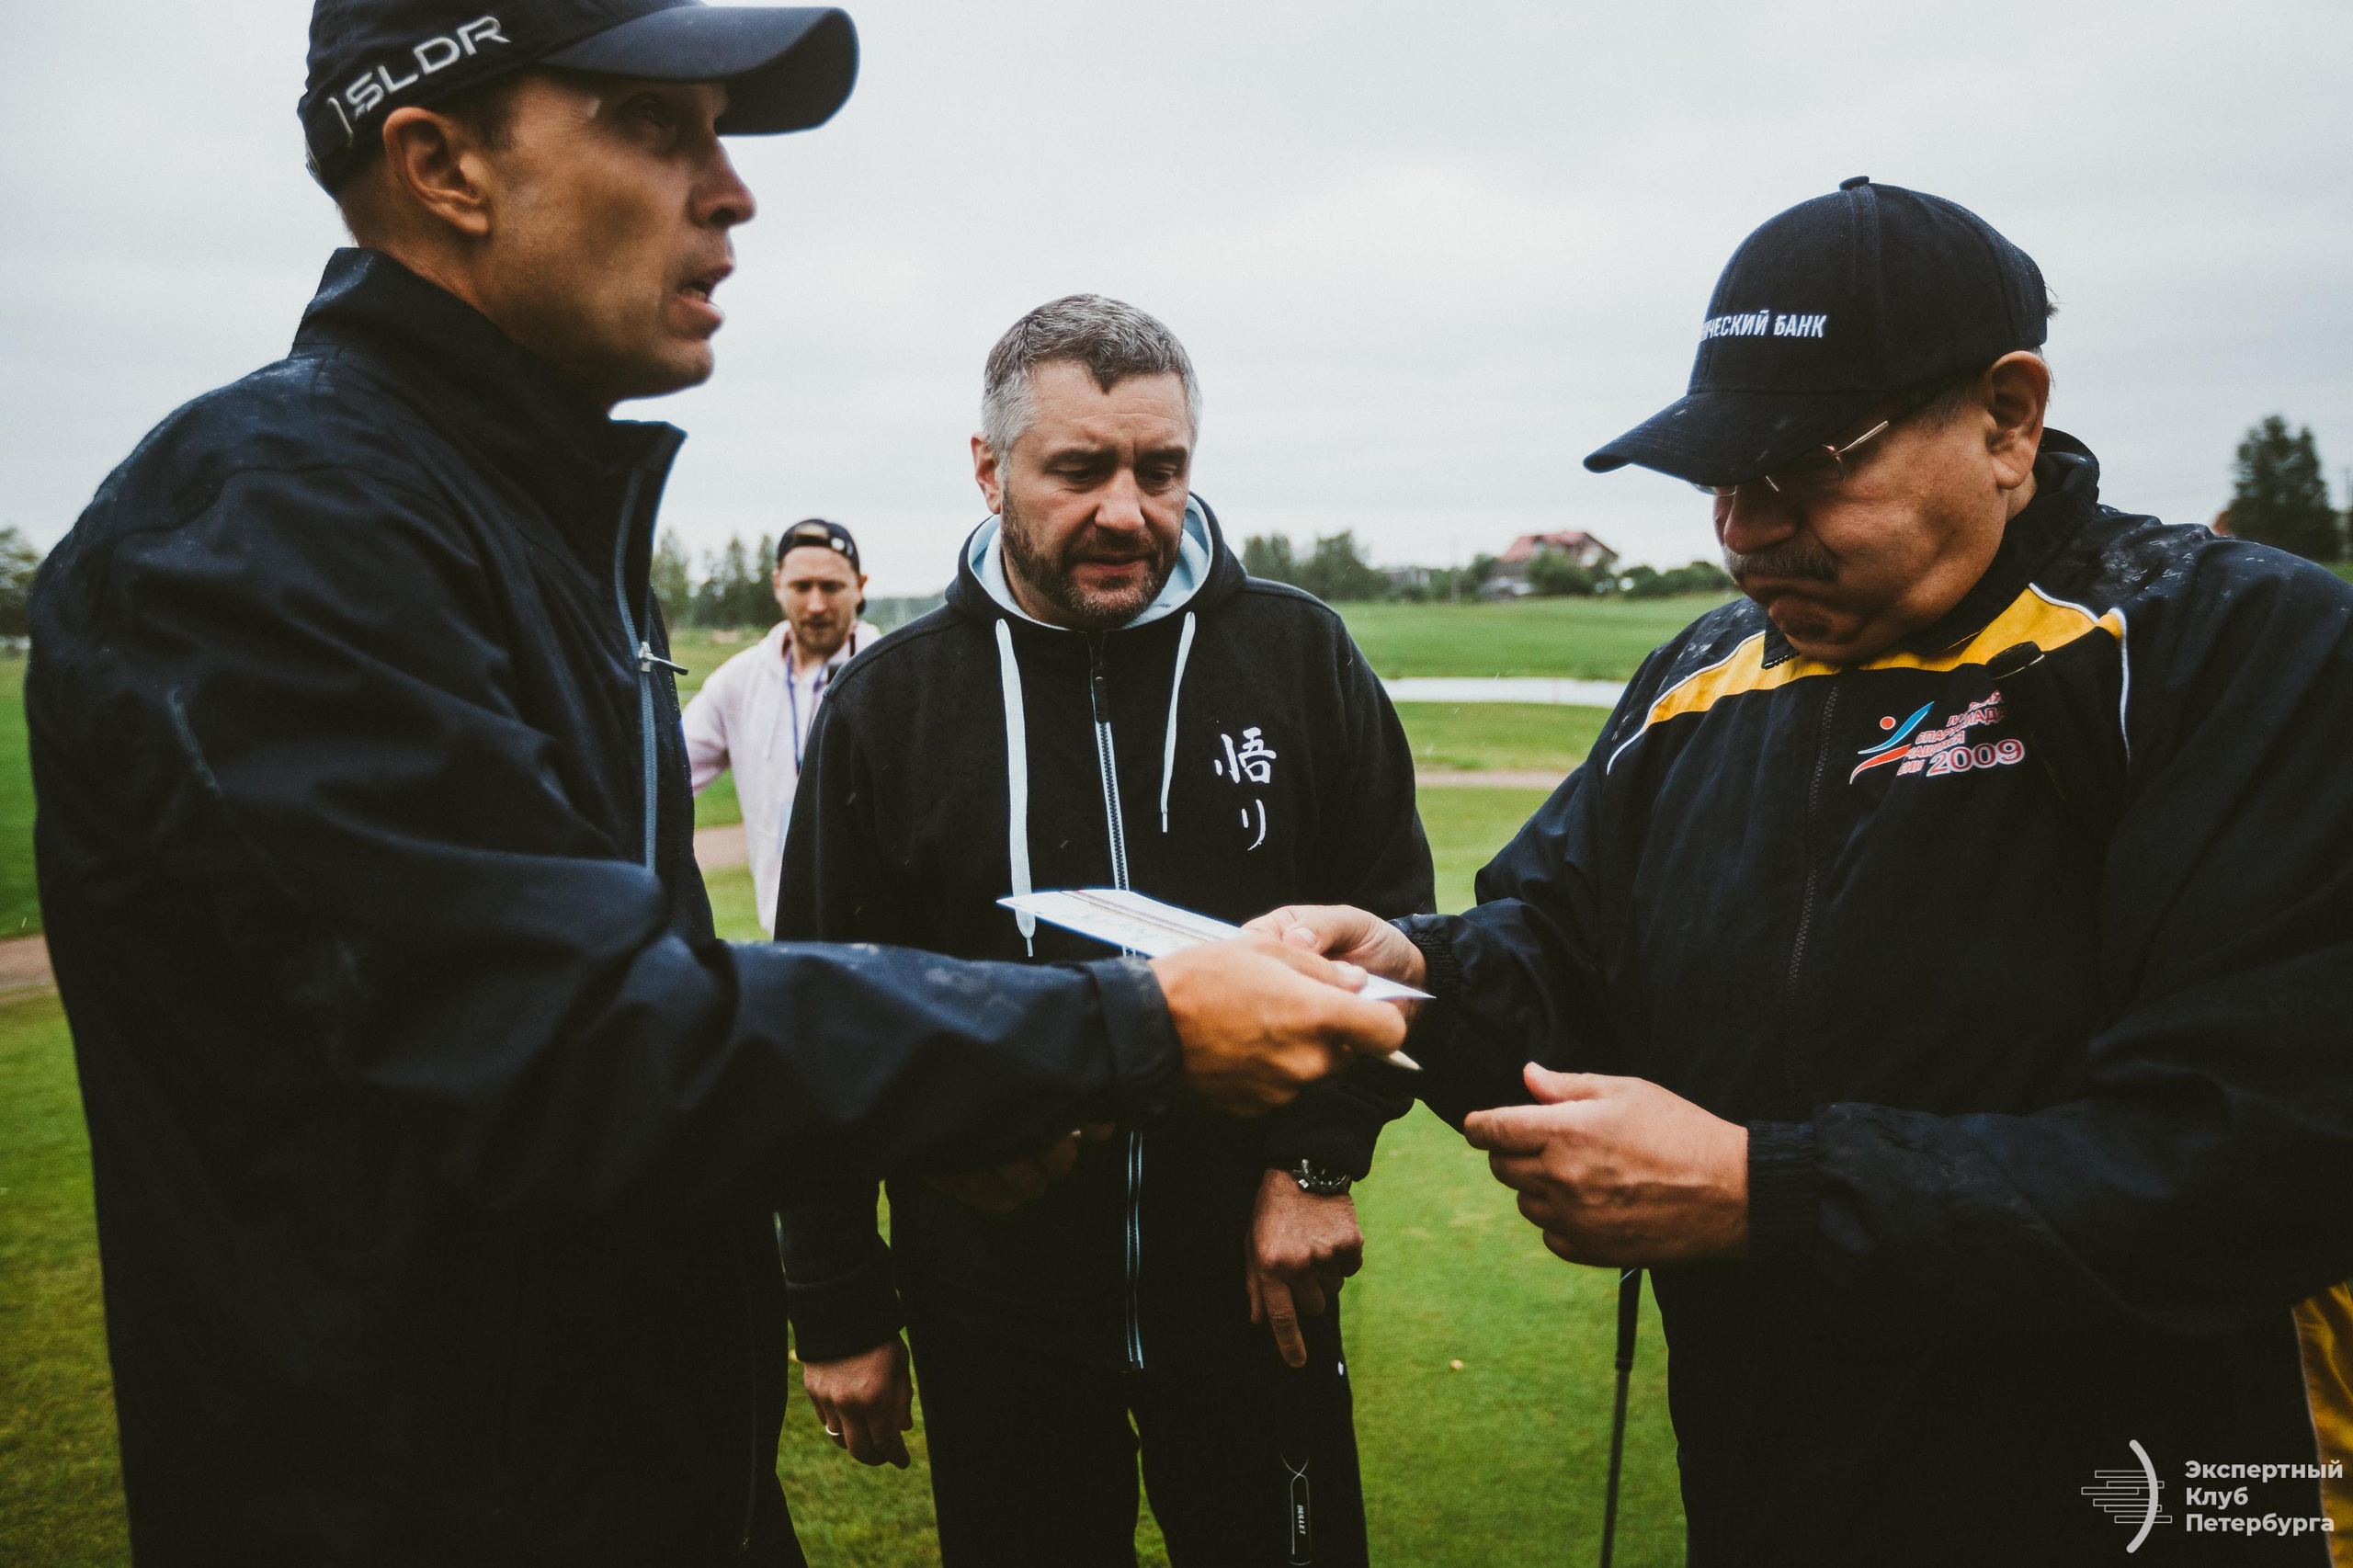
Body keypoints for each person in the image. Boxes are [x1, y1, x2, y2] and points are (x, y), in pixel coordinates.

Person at [24, 6, 1407, 1563]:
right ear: (439, 163)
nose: (733, 189)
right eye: (654, 125)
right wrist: (1136, 1028)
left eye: (720, 131)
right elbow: (570, 1044)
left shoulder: (507, 522)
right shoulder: (265, 533)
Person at [1255, 178, 2353, 1564]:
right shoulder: (1699, 673)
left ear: (2008, 418)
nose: (1746, 527)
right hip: (1769, 1485)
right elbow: (1560, 954)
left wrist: (1762, 1193)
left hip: (2145, 1500)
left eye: (1809, 462)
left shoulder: (2233, 649)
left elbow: (2254, 1156)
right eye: (1723, 471)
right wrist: (1414, 975)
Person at [775, 295, 1433, 1565]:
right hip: (991, 1304)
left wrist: (1317, 1162)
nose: (1126, 509)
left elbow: (1398, 938)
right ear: (988, 467)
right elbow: (818, 1011)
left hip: (1256, 1288)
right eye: (1079, 470)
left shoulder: (1299, 657)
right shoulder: (890, 705)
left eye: (1162, 468)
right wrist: (839, 1304)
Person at [685, 518, 881, 933]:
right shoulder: (737, 682)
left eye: (830, 587)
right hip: (784, 933)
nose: (815, 604)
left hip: (885, 943)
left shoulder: (892, 674)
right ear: (777, 585)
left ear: (859, 586)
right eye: (800, 586)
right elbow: (663, 776)